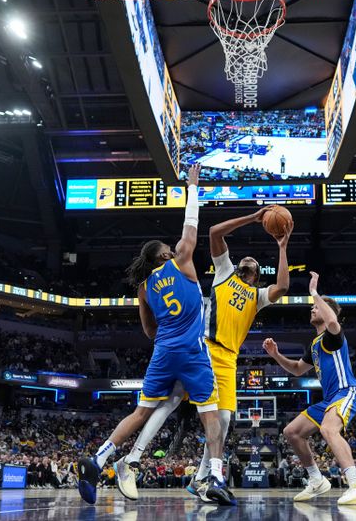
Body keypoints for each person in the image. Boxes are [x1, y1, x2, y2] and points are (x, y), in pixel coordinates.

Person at [77, 165, 235, 507]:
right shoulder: (182, 260)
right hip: (193, 352)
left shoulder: (145, 288)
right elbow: (191, 224)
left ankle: (99, 459)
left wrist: (168, 331)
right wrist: (193, 188)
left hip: (163, 352)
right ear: (166, 254)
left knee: (141, 413)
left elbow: (149, 330)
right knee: (212, 416)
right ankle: (217, 475)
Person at [114, 207, 291, 500]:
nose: (247, 262)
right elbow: (215, 233)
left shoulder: (258, 297)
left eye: (252, 264)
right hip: (204, 348)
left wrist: (282, 247)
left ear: (257, 274)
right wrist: (253, 217)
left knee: (221, 424)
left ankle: (199, 480)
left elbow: (283, 286)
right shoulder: (224, 272)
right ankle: (132, 459)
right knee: (170, 400)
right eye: (243, 261)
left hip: (229, 361)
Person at [263, 272, 356, 505]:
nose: (312, 310)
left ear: (326, 311)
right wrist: (276, 355)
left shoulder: (333, 336)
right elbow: (297, 369)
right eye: (312, 307)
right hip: (329, 399)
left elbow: (332, 321)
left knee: (329, 430)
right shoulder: (315, 343)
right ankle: (317, 480)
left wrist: (314, 292)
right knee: (291, 432)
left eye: (315, 307)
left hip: (346, 391)